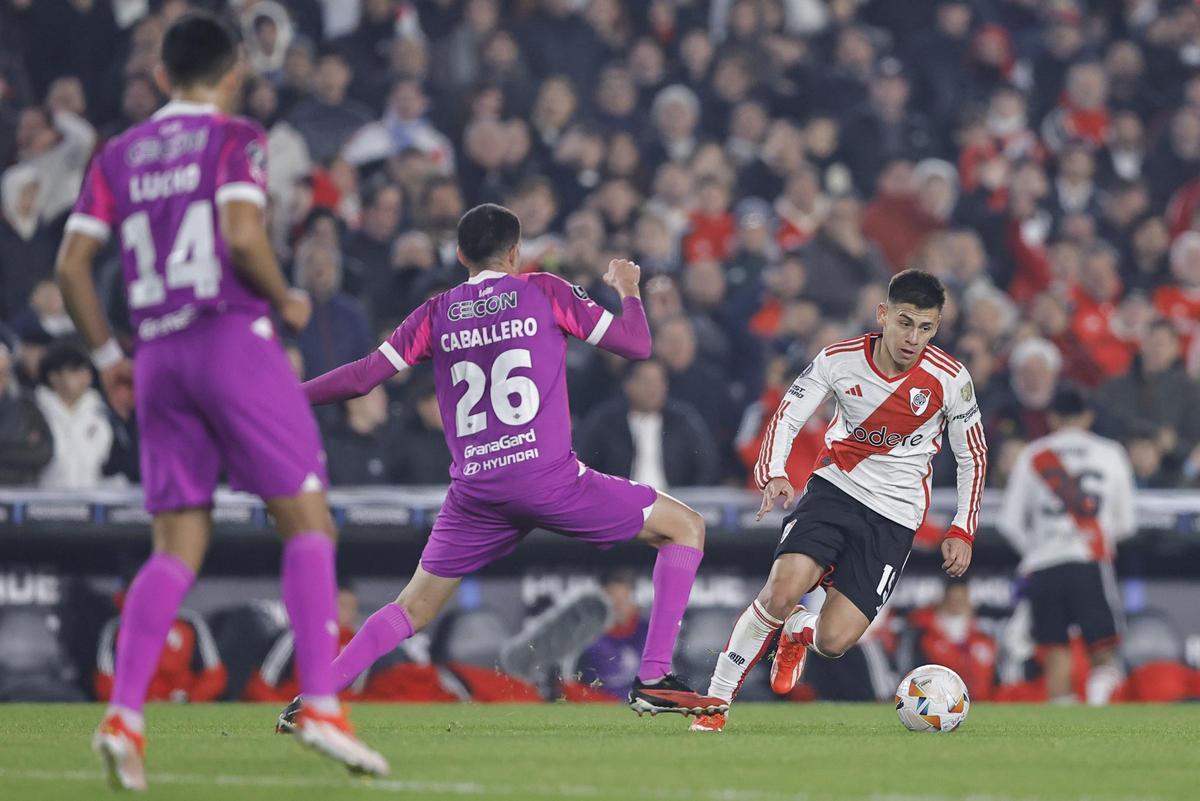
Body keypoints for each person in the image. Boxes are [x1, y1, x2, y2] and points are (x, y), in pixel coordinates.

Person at [54, 13, 387, 789]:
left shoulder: (119, 153)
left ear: (162, 75)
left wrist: (108, 355)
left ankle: (124, 715)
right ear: (234, 72)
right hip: (232, 337)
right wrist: (288, 297)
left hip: (157, 352)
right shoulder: (235, 137)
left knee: (176, 547)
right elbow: (242, 234)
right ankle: (324, 708)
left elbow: (73, 266)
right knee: (309, 519)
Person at [278, 203, 725, 726]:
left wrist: (291, 396)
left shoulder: (436, 311)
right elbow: (636, 343)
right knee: (686, 527)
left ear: (462, 254)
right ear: (515, 252)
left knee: (413, 608)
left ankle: (314, 698)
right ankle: (653, 678)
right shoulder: (543, 290)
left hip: (477, 492)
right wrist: (628, 288)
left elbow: (361, 378)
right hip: (549, 480)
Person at [692, 269, 986, 732]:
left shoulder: (951, 379)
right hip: (835, 493)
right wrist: (774, 472)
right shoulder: (838, 359)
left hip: (894, 518)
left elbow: (973, 455)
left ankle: (799, 631)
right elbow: (788, 413)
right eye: (905, 323)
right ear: (883, 314)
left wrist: (962, 529)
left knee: (833, 641)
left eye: (926, 328)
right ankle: (714, 704)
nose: (913, 338)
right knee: (782, 589)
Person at [997, 387, 1135, 705]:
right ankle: (1100, 713)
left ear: (1053, 418)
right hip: (1090, 559)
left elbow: (1009, 523)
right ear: (1087, 416)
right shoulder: (1110, 452)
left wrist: (1038, 548)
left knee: (1055, 653)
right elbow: (1126, 523)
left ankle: (1064, 730)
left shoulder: (1034, 454)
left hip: (1044, 565)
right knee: (1102, 649)